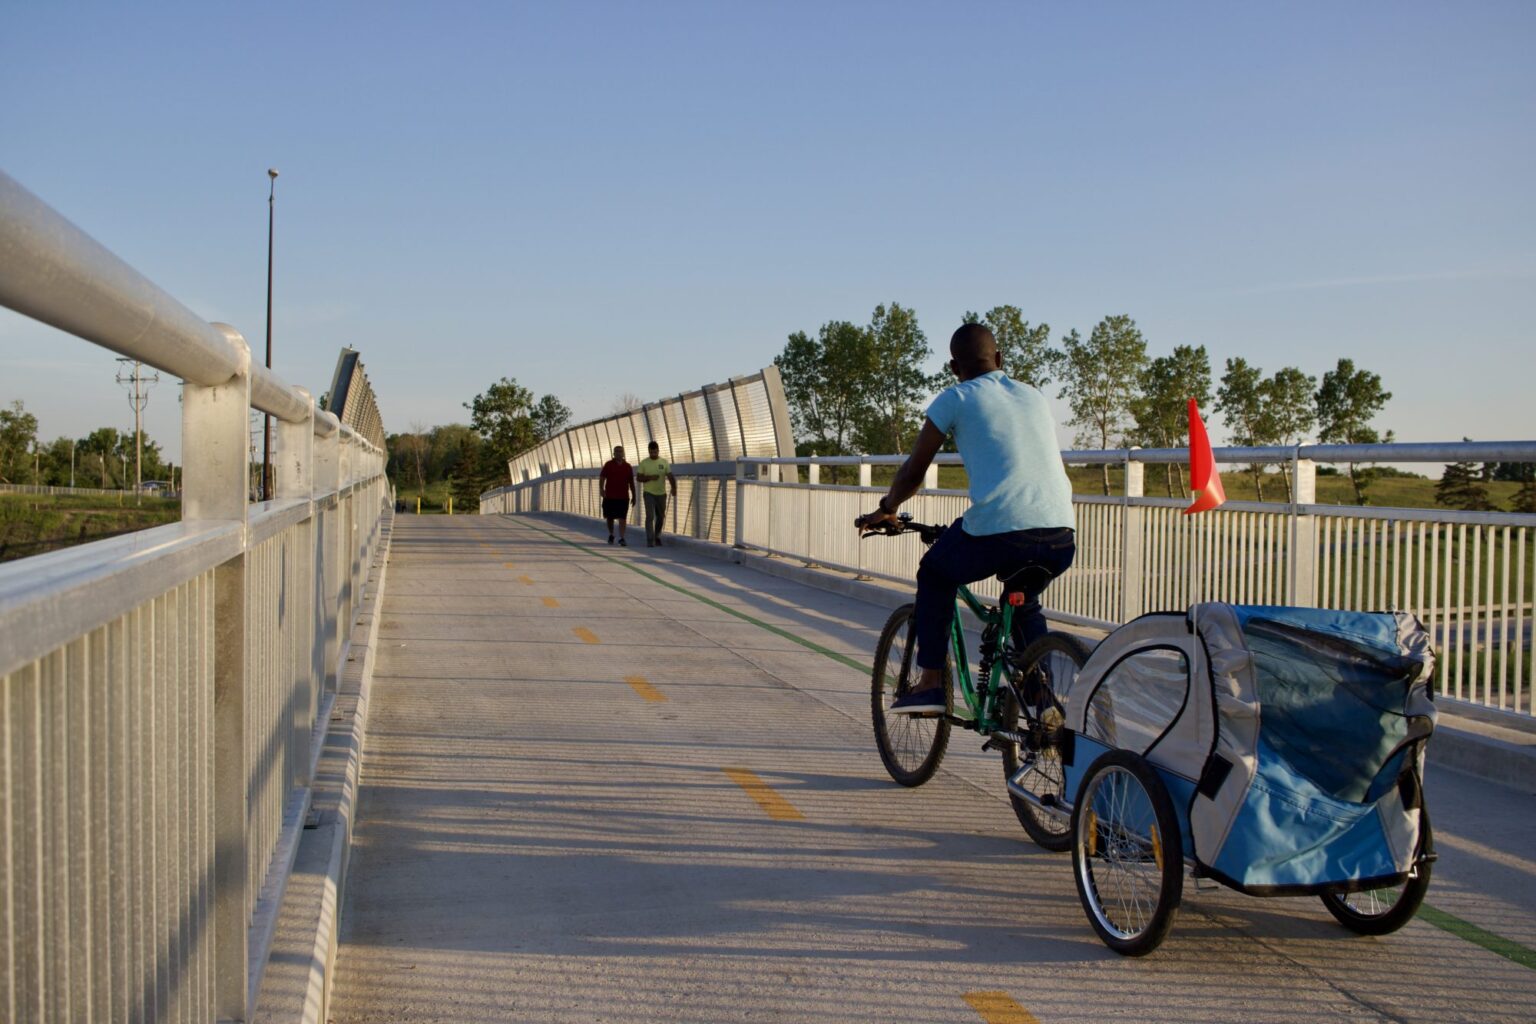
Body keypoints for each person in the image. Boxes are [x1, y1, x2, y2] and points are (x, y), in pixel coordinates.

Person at [856, 323, 1076, 715]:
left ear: (954, 367)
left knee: (936, 574)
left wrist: (888, 506)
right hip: (1061, 532)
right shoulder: (1033, 396)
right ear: (1000, 360)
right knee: (1022, 601)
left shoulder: (956, 397)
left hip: (1002, 529)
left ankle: (931, 684)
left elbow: (913, 471)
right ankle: (1041, 699)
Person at [635, 441, 677, 548]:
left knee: (661, 516)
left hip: (661, 493)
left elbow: (670, 476)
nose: (653, 454)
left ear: (658, 451)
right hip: (649, 493)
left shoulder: (664, 462)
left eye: (655, 452)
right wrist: (649, 477)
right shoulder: (644, 463)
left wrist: (674, 488)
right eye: (651, 452)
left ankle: (657, 536)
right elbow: (638, 478)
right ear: (648, 451)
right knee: (650, 516)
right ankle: (650, 540)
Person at [598, 445, 639, 546]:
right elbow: (602, 477)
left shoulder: (628, 467)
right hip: (610, 496)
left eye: (620, 451)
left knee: (622, 518)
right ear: (613, 453)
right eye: (616, 452)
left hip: (623, 497)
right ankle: (611, 534)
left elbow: (631, 483)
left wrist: (634, 496)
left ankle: (622, 537)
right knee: (609, 517)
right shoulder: (608, 465)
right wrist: (601, 489)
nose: (618, 453)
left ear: (623, 453)